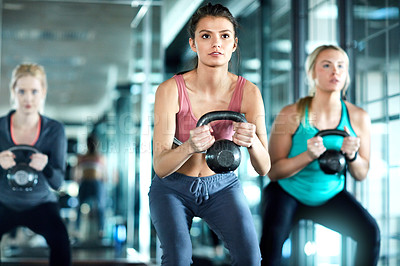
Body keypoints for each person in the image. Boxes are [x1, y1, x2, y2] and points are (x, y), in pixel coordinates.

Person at [149, 3, 270, 266]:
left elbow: (264, 167)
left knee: (251, 259)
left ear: (234, 44)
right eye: (206, 36)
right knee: (178, 259)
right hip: (172, 188)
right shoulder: (169, 90)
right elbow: (160, 166)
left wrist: (253, 144)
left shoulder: (249, 93)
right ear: (193, 44)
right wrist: (189, 146)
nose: (216, 43)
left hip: (222, 186)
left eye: (224, 36)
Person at [259, 45, 380, 266]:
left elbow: (361, 174)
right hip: (288, 193)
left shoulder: (359, 117)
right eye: (326, 65)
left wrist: (352, 156)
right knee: (270, 250)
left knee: (370, 233)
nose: (335, 71)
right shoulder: (291, 113)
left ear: (346, 74)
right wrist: (308, 155)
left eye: (341, 66)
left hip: (329, 194)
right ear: (312, 73)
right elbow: (273, 171)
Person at [0, 63, 71, 266]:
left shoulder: (54, 130)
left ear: (43, 93)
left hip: (40, 203)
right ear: (13, 92)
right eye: (22, 91)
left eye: (34, 91)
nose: (28, 98)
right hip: (3, 202)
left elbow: (58, 183)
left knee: (61, 241)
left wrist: (46, 167)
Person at [74, 133, 106, 239]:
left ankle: (101, 230)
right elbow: (77, 170)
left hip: (96, 183)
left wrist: (104, 181)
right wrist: (77, 179)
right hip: (85, 182)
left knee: (100, 207)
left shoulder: (99, 157)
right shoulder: (82, 157)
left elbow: (104, 172)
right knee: (79, 206)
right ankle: (77, 230)